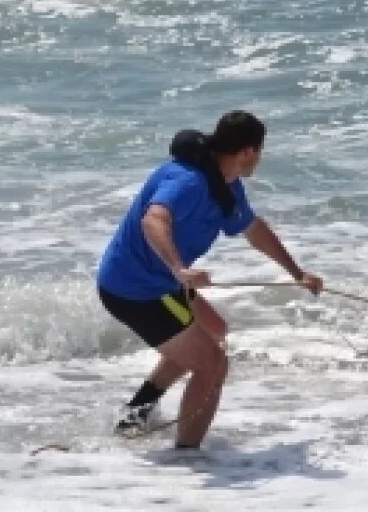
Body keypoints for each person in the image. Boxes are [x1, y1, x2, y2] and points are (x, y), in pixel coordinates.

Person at [96, 110, 323, 449]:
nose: (259, 159)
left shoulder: (226, 185)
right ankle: (187, 456)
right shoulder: (188, 180)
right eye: (259, 152)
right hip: (134, 289)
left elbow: (254, 230)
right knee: (212, 365)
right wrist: (179, 270)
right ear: (248, 151)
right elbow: (153, 220)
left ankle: (135, 413)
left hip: (161, 283)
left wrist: (297, 273)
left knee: (214, 330)